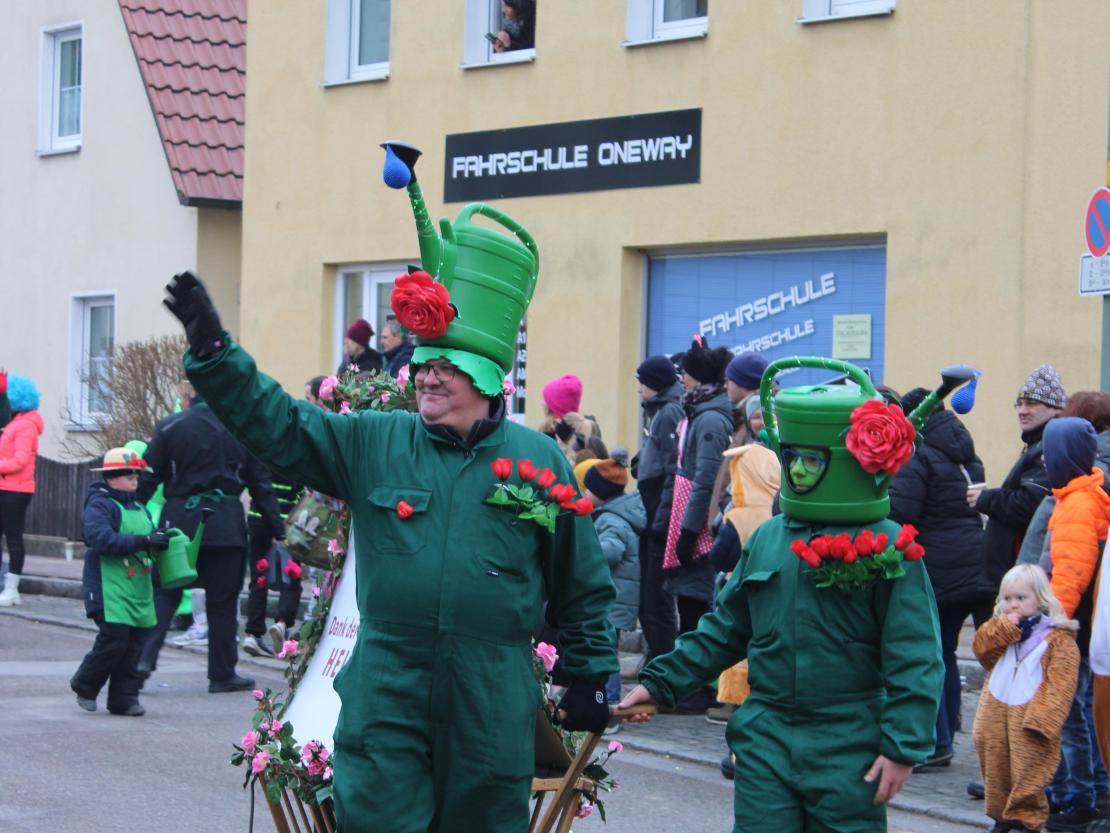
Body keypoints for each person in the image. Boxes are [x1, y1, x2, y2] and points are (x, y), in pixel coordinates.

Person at [161, 257, 616, 831]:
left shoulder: (538, 460)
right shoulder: (374, 441)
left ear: (485, 378)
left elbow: (581, 579)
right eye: (423, 363)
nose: (426, 376)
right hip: (387, 686)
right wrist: (216, 356)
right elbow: (282, 425)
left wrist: (592, 675)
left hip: (490, 693)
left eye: (445, 367)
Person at [621, 357, 945, 832]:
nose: (797, 470)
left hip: (850, 743)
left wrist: (902, 748)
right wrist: (659, 682)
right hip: (766, 738)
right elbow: (724, 629)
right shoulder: (770, 538)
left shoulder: (892, 545)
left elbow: (915, 654)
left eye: (811, 460)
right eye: (790, 457)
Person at [136, 381, 285, 693]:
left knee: (165, 594)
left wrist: (130, 518)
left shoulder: (171, 425)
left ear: (192, 395)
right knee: (222, 603)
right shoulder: (239, 428)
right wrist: (279, 530)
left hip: (179, 523)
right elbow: (260, 484)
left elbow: (148, 478)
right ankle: (221, 674)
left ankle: (141, 660)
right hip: (224, 525)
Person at [889, 387, 988, 772]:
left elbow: (902, 512)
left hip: (938, 566)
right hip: (972, 561)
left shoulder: (920, 455)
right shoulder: (966, 451)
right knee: (945, 651)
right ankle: (951, 726)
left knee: (932, 654)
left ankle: (936, 741)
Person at [1038, 417, 1110, 832]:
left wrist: (1053, 624)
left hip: (1071, 627)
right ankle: (1093, 789)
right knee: (1080, 708)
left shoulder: (1079, 504)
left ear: (1065, 457)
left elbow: (1071, 572)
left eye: (1051, 451)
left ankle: (1077, 797)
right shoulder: (1079, 497)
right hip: (1081, 624)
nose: (1044, 458)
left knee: (1070, 714)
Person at [973, 564, 1080, 833]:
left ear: (1040, 599)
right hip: (996, 710)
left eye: (1021, 598)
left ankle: (1025, 817)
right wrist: (1002, 629)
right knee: (995, 763)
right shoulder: (1002, 629)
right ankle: (1001, 815)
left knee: (1028, 769)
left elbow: (1061, 683)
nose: (1014, 605)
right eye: (1008, 598)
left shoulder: (1057, 638)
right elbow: (982, 652)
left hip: (1030, 713)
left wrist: (1044, 721)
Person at [660, 335, 733, 713]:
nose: (682, 380)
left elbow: (705, 479)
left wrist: (689, 532)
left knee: (694, 611)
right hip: (687, 519)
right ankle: (691, 686)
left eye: (686, 374)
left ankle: (697, 689)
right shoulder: (699, 410)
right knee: (688, 606)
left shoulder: (708, 418)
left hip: (696, 527)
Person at [70, 448, 170, 716]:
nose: (135, 481)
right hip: (107, 586)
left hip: (136, 586)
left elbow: (148, 538)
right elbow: (99, 539)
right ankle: (85, 684)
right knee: (114, 639)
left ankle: (124, 699)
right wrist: (144, 541)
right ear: (111, 478)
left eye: (136, 476)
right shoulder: (100, 505)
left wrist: (160, 539)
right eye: (129, 476)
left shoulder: (139, 507)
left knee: (136, 642)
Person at [968, 364, 1063, 609]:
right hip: (1012, 577)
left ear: (1055, 407)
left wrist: (985, 500)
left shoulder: (1048, 448)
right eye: (1019, 404)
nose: (1022, 410)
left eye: (1031, 403)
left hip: (1020, 581)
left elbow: (1029, 504)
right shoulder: (1038, 444)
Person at [581, 450, 645, 734]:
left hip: (613, 600)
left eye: (588, 487)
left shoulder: (612, 520)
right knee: (607, 653)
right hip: (616, 599)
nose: (584, 491)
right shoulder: (614, 514)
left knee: (607, 656)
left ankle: (613, 708)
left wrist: (583, 551)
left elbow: (612, 550)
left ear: (601, 493)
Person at [634, 355, 684, 662]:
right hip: (656, 512)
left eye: (642, 381)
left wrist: (661, 519)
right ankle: (654, 661)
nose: (638, 388)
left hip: (659, 517)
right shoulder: (661, 412)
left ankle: (660, 666)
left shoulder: (668, 413)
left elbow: (670, 469)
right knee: (652, 599)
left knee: (656, 600)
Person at [241, 464, 297, 658]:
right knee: (291, 576)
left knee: (258, 578)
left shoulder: (262, 447)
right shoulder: (294, 450)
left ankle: (252, 633)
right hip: (288, 521)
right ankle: (282, 623)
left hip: (258, 519)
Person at [0, 374, 43, 607]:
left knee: (14, 538)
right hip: (6, 486)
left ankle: (12, 589)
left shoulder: (25, 425)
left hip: (16, 490)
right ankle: (7, 588)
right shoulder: (18, 422)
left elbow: (20, 460)